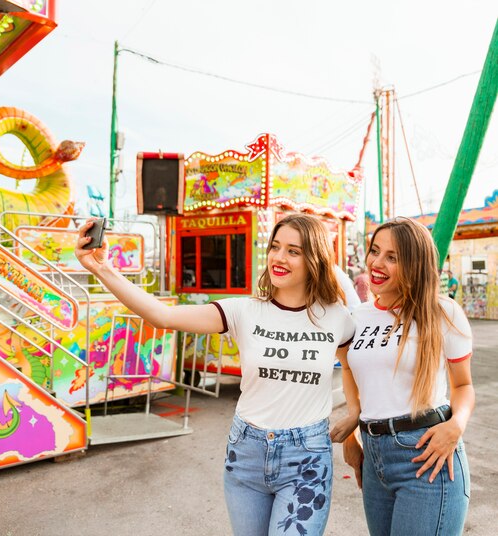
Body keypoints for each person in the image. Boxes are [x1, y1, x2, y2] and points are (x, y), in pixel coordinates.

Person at [76, 213, 356, 536]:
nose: (279, 257)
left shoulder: (337, 317)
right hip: (246, 453)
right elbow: (162, 316)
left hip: (306, 459)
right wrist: (100, 267)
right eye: (276, 246)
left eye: (293, 251)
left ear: (316, 259)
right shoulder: (244, 311)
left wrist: (355, 416)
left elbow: (351, 366)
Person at [332, 217, 474, 536]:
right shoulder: (358, 317)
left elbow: (464, 385)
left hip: (425, 453)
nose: (376, 263)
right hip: (374, 456)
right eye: (375, 251)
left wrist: (456, 425)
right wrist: (355, 426)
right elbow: (353, 373)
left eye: (392, 257)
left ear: (414, 263)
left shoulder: (443, 313)